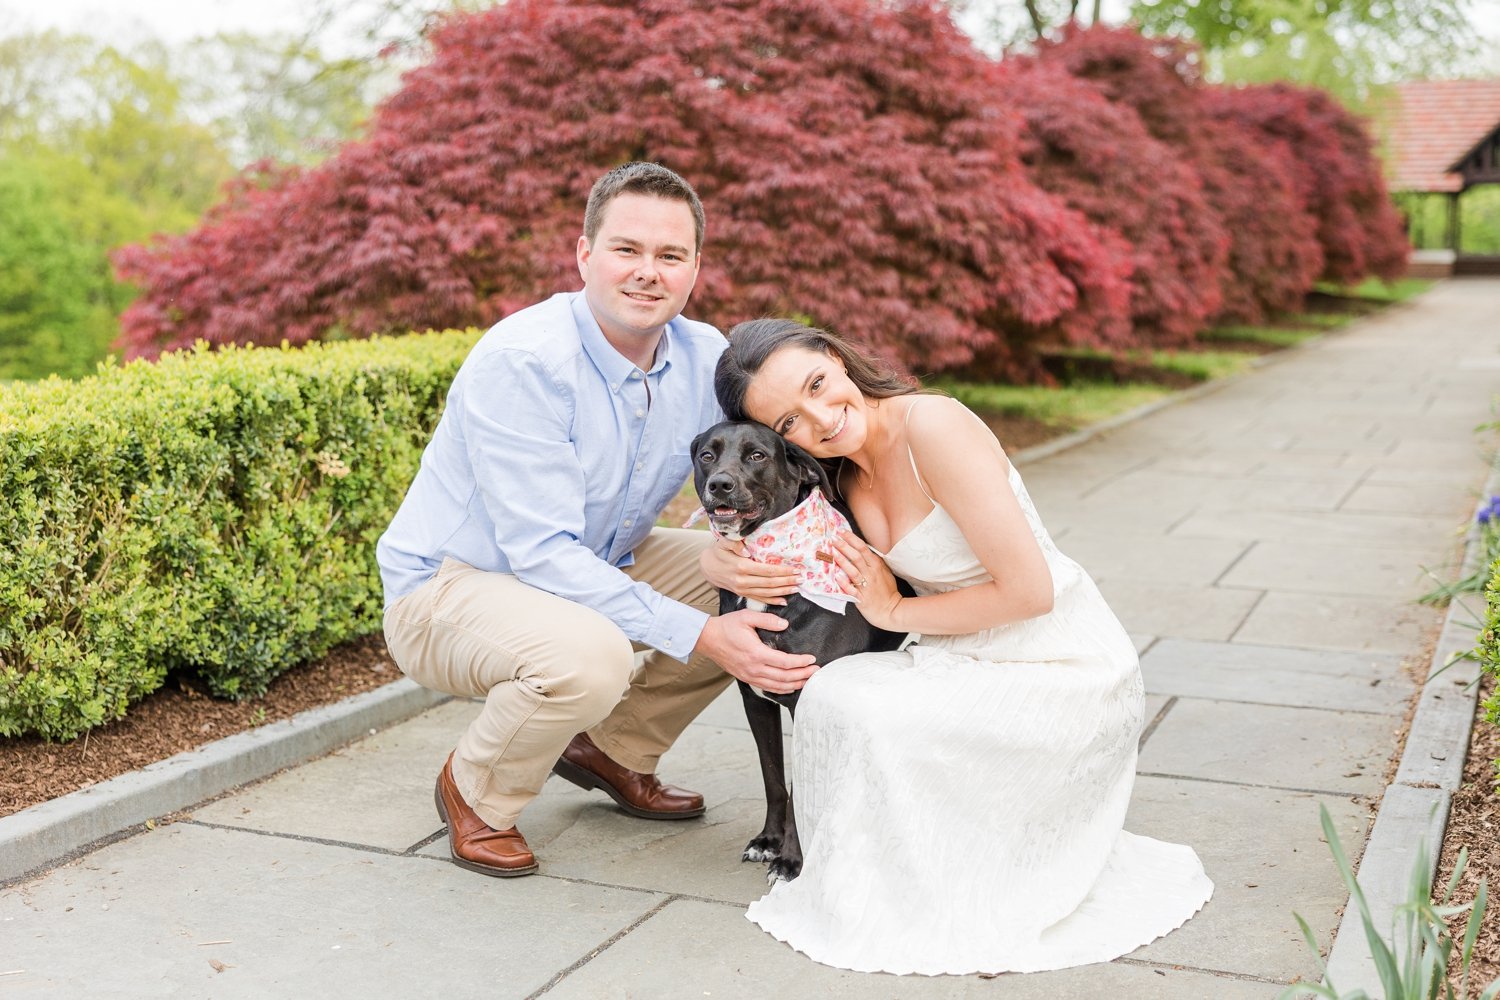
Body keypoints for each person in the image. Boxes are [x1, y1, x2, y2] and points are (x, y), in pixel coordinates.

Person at [704, 317, 1214, 975]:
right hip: (955, 652)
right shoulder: (838, 474)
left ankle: (949, 875)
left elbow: (1031, 592)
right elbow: (779, 537)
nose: (821, 418)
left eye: (818, 384)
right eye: (791, 423)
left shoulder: (932, 428)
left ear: (833, 355)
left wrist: (890, 608)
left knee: (857, 705)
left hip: (1055, 662)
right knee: (836, 692)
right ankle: (889, 867)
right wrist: (717, 561)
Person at [376, 164, 817, 879]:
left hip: (604, 559)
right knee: (592, 658)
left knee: (761, 583)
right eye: (626, 250)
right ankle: (477, 790)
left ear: (695, 269)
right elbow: (543, 554)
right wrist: (703, 634)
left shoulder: (706, 358)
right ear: (584, 255)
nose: (648, 272)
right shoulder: (524, 362)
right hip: (451, 590)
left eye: (670, 256)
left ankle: (613, 749)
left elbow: (799, 426)